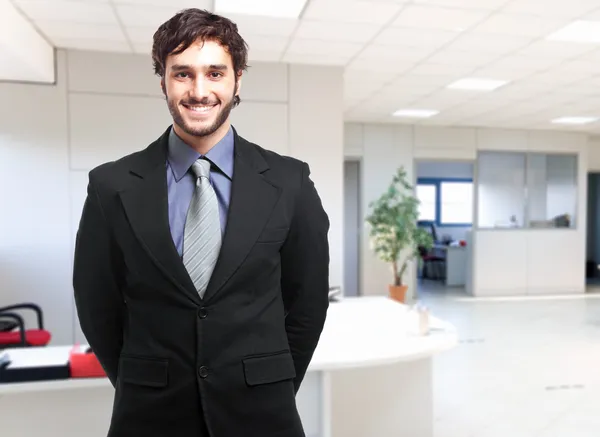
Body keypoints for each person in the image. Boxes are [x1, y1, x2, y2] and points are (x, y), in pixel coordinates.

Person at [72, 8, 330, 437]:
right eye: (182, 74)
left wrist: (272, 379)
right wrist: (138, 379)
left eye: (214, 73)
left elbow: (307, 303)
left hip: (263, 413)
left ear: (237, 80)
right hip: (150, 413)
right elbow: (97, 302)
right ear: (163, 82)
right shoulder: (111, 186)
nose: (198, 90)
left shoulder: (290, 182)